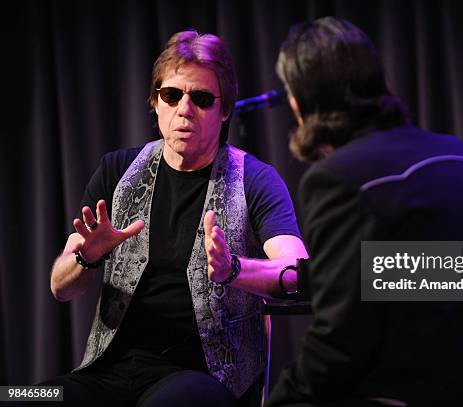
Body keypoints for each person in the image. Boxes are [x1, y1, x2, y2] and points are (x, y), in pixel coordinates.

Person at [46, 30, 307, 407]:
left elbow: (297, 271)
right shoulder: (117, 170)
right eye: (171, 95)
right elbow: (60, 287)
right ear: (155, 102)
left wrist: (234, 270)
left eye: (201, 99)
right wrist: (87, 257)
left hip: (202, 377)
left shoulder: (254, 179)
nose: (184, 110)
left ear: (225, 110)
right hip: (107, 373)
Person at [266, 17, 463, 406]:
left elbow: (338, 347)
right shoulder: (462, 155)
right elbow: (404, 277)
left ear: (300, 101)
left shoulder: (341, 177)